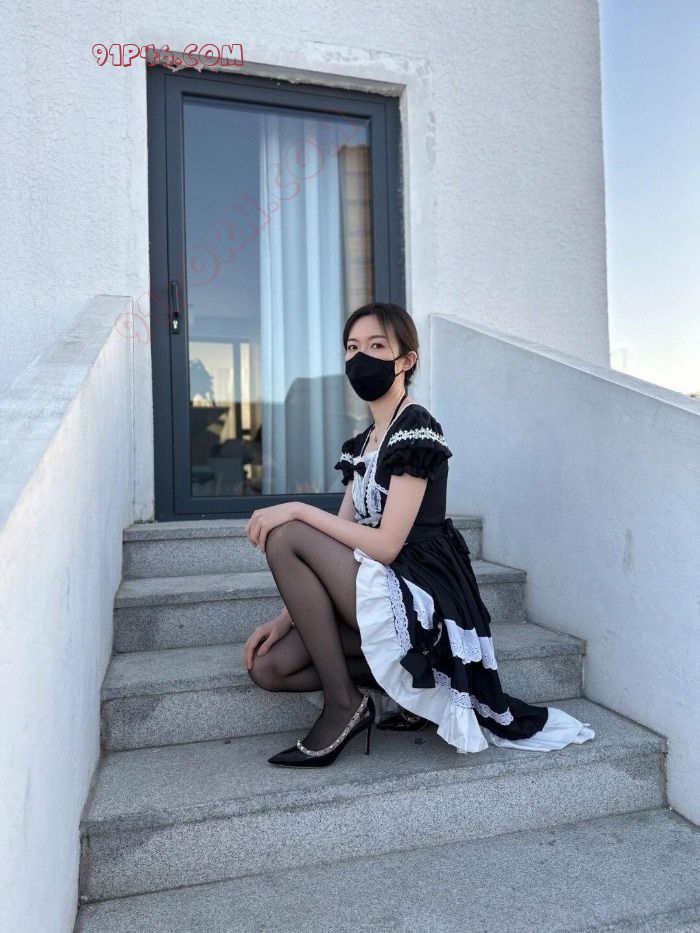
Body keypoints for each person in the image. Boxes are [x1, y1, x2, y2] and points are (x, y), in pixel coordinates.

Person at [244, 302, 595, 767]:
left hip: (418, 589)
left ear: (406, 360)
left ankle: (343, 706)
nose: (360, 358)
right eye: (352, 348)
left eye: (377, 346)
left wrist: (298, 509)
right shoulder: (362, 443)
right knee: (268, 667)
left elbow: (387, 545)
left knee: (287, 533)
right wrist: (286, 618)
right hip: (375, 584)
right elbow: (341, 535)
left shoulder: (416, 428)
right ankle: (393, 693)